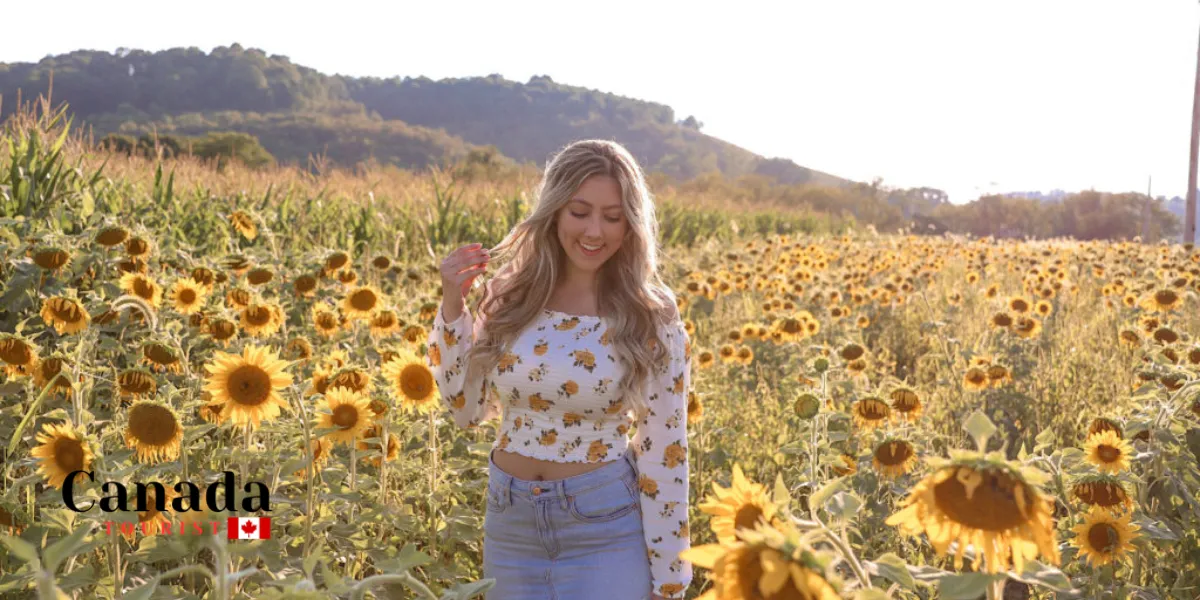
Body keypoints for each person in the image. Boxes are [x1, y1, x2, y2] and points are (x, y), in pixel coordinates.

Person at [427, 139, 693, 599]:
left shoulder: (650, 314)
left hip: (604, 526)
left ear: (631, 226)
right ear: (553, 211)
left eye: (613, 217)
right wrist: (454, 305)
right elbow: (466, 411)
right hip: (510, 526)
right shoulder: (510, 297)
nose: (595, 231)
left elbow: (664, 445)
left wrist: (670, 579)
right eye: (580, 211)